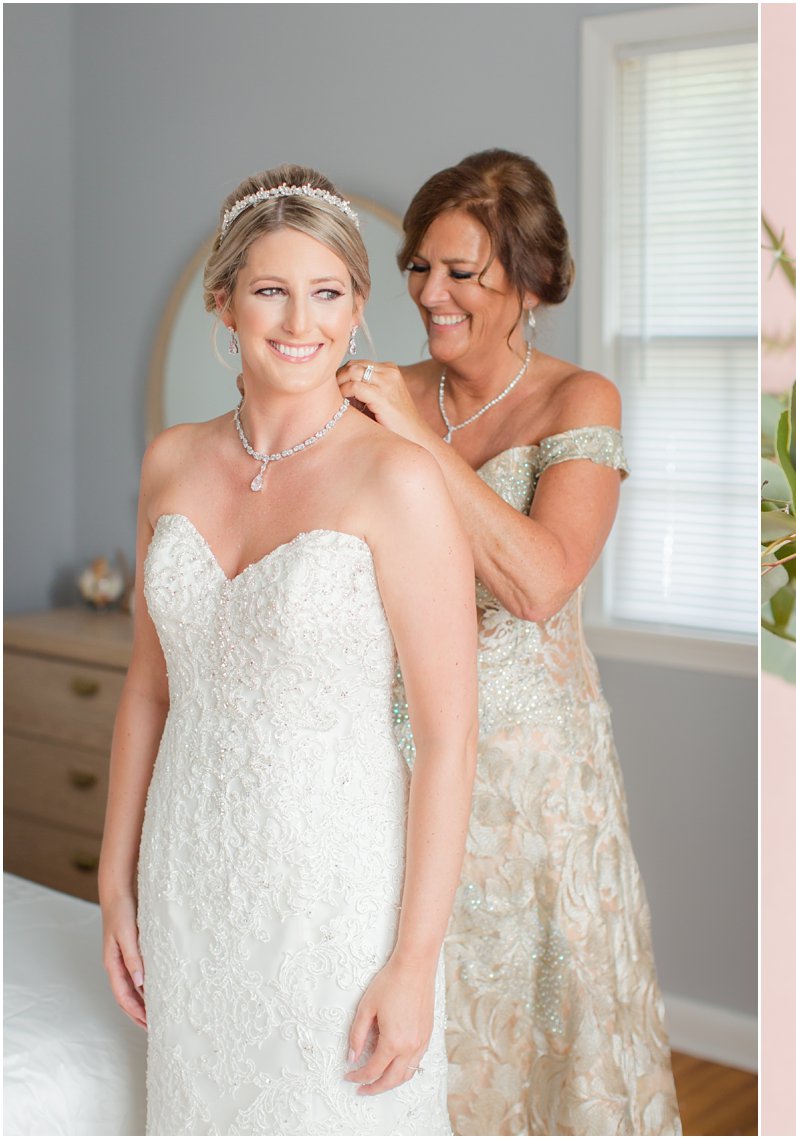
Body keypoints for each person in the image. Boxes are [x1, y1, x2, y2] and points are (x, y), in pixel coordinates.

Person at [97, 165, 479, 1134]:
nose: (298, 320)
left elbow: (447, 737)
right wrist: (115, 880)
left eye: (327, 292)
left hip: (333, 896)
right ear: (223, 304)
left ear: (357, 309)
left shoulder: (398, 479)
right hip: (189, 874)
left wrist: (414, 957)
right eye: (270, 289)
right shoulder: (169, 462)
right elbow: (149, 686)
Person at [336, 149, 680, 1136]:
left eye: (461, 273)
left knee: (537, 1031)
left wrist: (416, 440)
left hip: (534, 781)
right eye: (418, 267)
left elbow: (536, 582)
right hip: (394, 757)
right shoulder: (380, 391)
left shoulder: (580, 401)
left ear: (529, 282)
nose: (429, 294)